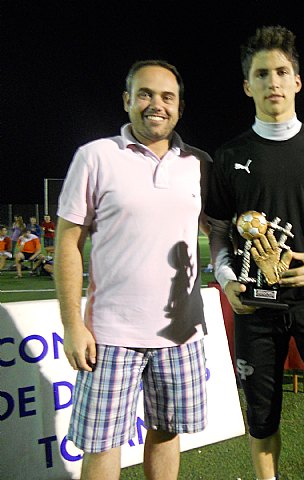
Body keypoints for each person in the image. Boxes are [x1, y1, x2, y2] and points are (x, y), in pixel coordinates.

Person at [205, 26, 304, 480]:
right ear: (247, 85)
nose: (272, 81)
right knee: (261, 415)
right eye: (261, 73)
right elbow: (217, 229)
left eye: (281, 71)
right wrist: (226, 277)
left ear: (297, 81)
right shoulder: (230, 155)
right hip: (256, 306)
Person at [55, 59, 210, 479]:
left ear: (178, 107)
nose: (155, 104)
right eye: (144, 94)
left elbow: (221, 232)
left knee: (166, 433)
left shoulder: (198, 164)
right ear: (127, 100)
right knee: (102, 446)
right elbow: (68, 244)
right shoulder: (95, 156)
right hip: (110, 336)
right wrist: (73, 324)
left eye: (166, 96)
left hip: (181, 333)